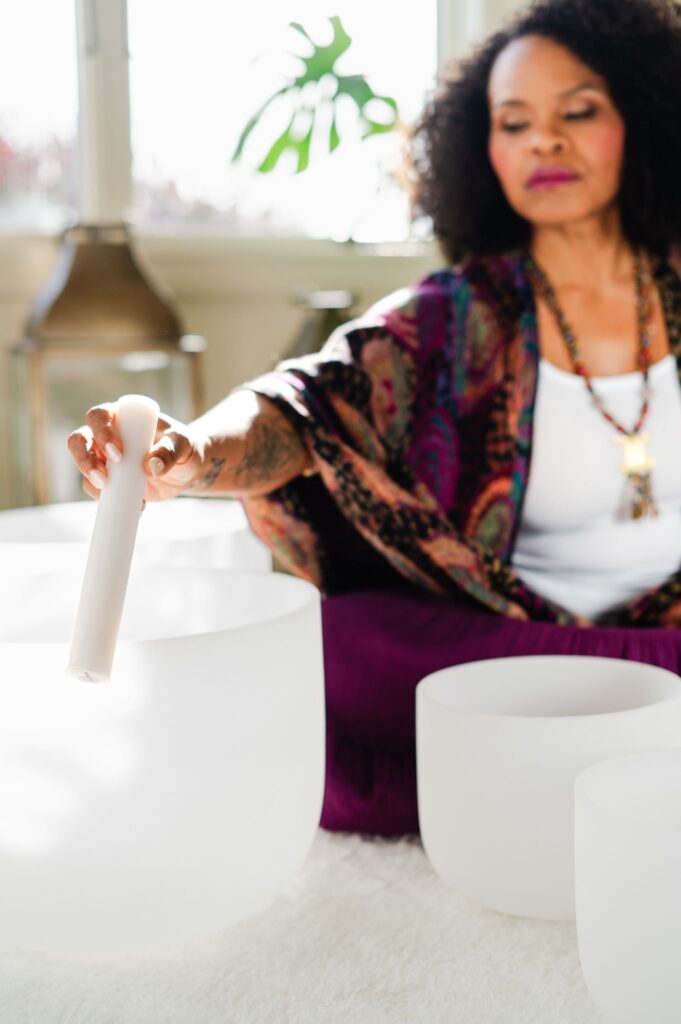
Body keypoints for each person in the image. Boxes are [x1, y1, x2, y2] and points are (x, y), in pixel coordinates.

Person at [69, 0, 681, 836]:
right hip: (503, 657)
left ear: (642, 121)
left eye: (577, 111)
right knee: (341, 642)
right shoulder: (448, 316)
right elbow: (301, 406)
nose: (543, 140)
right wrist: (188, 455)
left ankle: (529, 782)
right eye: (513, 122)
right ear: (481, 148)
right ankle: (611, 774)